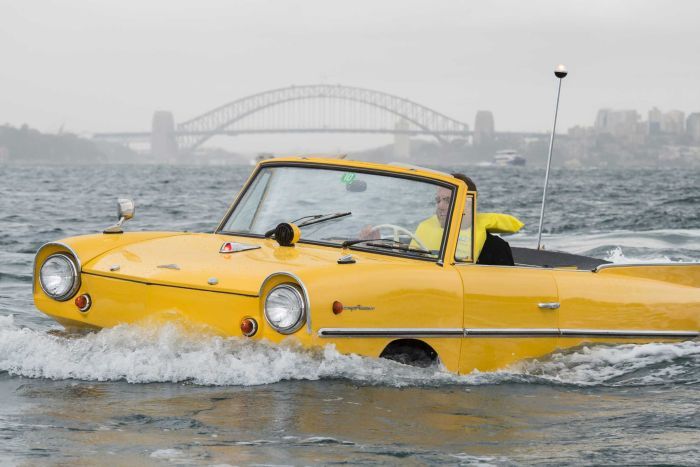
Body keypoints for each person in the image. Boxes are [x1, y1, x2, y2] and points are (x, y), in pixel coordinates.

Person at [412, 174, 524, 262]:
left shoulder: (496, 248)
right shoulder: (422, 237)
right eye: (438, 200)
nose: (440, 206)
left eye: (447, 200)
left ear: (468, 204)